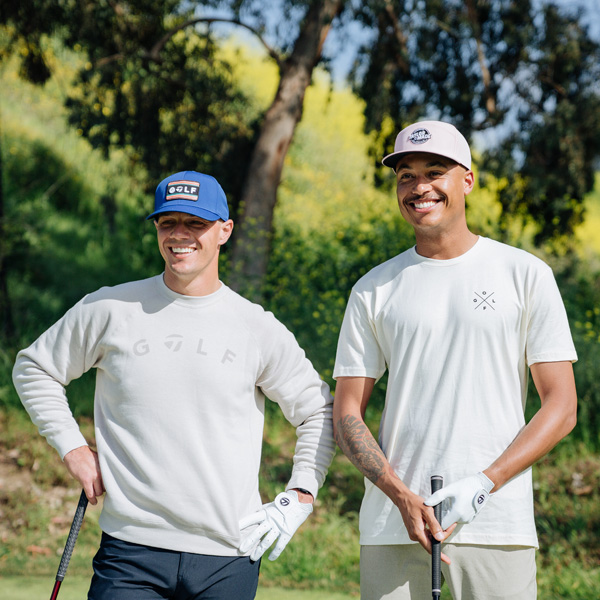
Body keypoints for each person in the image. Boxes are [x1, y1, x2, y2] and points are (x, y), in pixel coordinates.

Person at [13, 170, 335, 599]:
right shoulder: (109, 307)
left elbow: (318, 410)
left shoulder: (256, 327)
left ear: (224, 231)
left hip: (230, 555)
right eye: (168, 222)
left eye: (195, 224)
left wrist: (300, 495)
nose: (179, 235)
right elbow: (35, 368)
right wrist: (72, 448)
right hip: (130, 552)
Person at [332, 121, 578, 600]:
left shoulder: (524, 274)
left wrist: (485, 484)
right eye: (406, 175)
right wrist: (400, 496)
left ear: (466, 179)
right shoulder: (374, 288)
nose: (419, 187)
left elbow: (562, 407)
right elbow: (346, 414)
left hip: (495, 524)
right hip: (393, 524)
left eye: (435, 171)